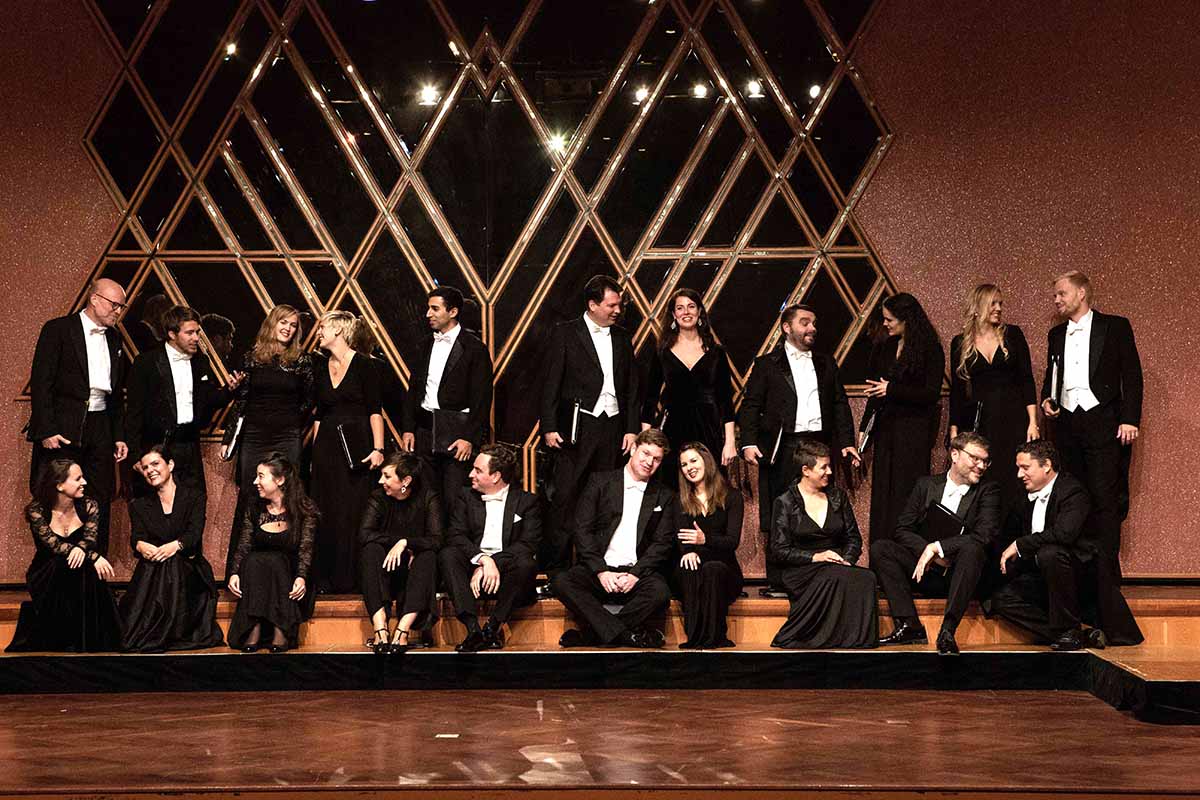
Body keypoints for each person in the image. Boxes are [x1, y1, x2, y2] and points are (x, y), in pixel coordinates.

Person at [738, 303, 859, 591]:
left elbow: (840, 404)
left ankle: (823, 572)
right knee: (780, 508)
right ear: (786, 327)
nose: (812, 328)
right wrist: (748, 443)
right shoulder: (766, 364)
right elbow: (751, 405)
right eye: (805, 322)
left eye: (814, 323)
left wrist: (846, 443)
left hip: (819, 443)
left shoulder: (827, 362)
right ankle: (778, 579)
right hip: (783, 445)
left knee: (820, 507)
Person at [988, 440, 1143, 650]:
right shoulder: (1023, 496)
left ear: (1047, 465)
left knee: (1049, 553)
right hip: (1042, 577)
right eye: (1018, 468)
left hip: (1077, 578)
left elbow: (1064, 535)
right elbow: (1006, 535)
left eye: (1025, 468)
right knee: (1001, 600)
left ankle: (1068, 629)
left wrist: (1021, 544)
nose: (1019, 474)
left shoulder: (1073, 491)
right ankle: (1078, 634)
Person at [540, 274, 640, 576]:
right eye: (611, 305)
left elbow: (632, 388)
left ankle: (598, 566)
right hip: (575, 426)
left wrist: (631, 429)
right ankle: (555, 569)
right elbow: (550, 383)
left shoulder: (622, 338)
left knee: (606, 498)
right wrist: (549, 425)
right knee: (566, 497)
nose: (617, 310)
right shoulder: (565, 333)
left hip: (612, 427)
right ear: (592, 304)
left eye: (619, 305)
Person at [1040, 271, 1142, 564]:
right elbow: (1052, 376)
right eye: (1055, 295)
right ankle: (1077, 566)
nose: (1056, 300)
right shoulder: (1056, 334)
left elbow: (1132, 376)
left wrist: (1130, 419)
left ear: (1081, 293)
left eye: (1061, 293)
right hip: (1068, 424)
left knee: (1105, 497)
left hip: (1104, 422)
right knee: (1073, 494)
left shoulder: (1115, 326)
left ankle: (1107, 571)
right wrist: (1048, 399)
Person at [871, 432, 1002, 655]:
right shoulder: (926, 485)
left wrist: (939, 547)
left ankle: (947, 631)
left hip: (960, 577)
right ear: (954, 454)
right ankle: (909, 625)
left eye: (985, 461)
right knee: (881, 548)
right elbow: (902, 529)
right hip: (927, 571)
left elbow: (984, 535)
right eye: (975, 458)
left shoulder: (988, 491)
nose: (981, 466)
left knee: (973, 549)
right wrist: (928, 552)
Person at [28, 278, 129, 554]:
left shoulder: (115, 338)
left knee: (99, 497)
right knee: (56, 495)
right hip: (63, 426)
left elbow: (116, 392)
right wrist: (46, 429)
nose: (118, 311)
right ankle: (56, 571)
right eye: (115, 305)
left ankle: (95, 567)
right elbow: (41, 382)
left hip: (101, 425)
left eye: (122, 306)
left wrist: (119, 435)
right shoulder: (58, 329)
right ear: (95, 299)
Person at [551, 429, 676, 648]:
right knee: (563, 582)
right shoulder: (600, 482)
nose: (649, 462)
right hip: (600, 570)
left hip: (636, 573)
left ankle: (592, 635)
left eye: (656, 459)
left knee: (660, 592)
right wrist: (600, 571)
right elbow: (582, 529)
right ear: (634, 449)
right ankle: (627, 635)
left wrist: (635, 574)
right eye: (645, 454)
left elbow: (662, 543)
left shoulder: (664, 495)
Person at [220, 305, 315, 575]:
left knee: (290, 495)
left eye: (294, 325)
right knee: (252, 495)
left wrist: (288, 421)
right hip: (254, 436)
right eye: (283, 322)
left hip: (287, 436)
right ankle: (240, 570)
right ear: (271, 324)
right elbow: (242, 400)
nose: (288, 328)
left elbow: (309, 400)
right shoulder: (251, 358)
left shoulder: (302, 360)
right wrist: (229, 438)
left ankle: (290, 570)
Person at [770, 440, 877, 649]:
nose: (829, 471)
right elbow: (779, 550)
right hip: (801, 569)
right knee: (833, 575)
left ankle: (855, 640)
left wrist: (847, 561)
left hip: (836, 564)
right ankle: (807, 636)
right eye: (823, 467)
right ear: (806, 470)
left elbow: (853, 538)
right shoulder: (784, 502)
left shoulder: (838, 496)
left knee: (867, 577)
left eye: (829, 466)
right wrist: (815, 557)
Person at [6, 459, 122, 652]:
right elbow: (54, 546)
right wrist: (93, 556)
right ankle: (68, 638)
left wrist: (85, 551)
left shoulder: (90, 505)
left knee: (80, 567)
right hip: (47, 572)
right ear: (59, 485)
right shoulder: (38, 510)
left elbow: (89, 539)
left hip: (78, 570)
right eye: (78, 478)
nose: (84, 482)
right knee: (66, 564)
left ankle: (88, 638)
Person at [120, 444, 224, 652]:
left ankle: (169, 632)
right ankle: (155, 632)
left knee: (173, 562)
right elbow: (137, 537)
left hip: (188, 566)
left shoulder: (194, 497)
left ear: (170, 464)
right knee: (161, 565)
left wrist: (174, 546)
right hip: (154, 570)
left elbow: (194, 535)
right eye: (145, 467)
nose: (150, 470)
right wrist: (141, 546)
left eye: (155, 464)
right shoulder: (138, 505)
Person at [126, 305, 242, 492]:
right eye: (190, 333)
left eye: (197, 332)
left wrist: (229, 391)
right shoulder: (146, 363)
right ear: (172, 334)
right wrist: (135, 455)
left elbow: (208, 399)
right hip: (157, 445)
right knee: (157, 509)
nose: (196, 338)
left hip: (189, 444)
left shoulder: (200, 361)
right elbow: (134, 412)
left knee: (195, 505)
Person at [401, 286, 494, 518]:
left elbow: (482, 400)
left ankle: (455, 551)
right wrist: (408, 428)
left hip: (456, 433)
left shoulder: (475, 349)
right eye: (428, 308)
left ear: (452, 312)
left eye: (435, 309)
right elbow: (414, 390)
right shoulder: (424, 345)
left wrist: (469, 438)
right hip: (424, 430)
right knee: (427, 497)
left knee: (454, 498)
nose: (427, 314)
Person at [309, 310, 384, 593]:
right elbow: (319, 414)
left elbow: (375, 411)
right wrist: (315, 454)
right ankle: (325, 579)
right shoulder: (320, 366)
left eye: (323, 327)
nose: (319, 332)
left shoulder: (366, 366)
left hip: (357, 446)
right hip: (326, 445)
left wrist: (378, 449)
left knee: (351, 510)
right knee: (324, 509)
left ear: (339, 331)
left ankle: (352, 579)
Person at [861, 292, 945, 543]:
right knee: (883, 493)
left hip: (914, 431)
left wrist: (892, 390)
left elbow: (930, 394)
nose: (885, 324)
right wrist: (864, 430)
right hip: (886, 428)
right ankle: (881, 556)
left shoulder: (931, 349)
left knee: (906, 491)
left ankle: (906, 553)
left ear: (907, 319)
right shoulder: (884, 347)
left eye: (890, 319)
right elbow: (875, 391)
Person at [441, 445, 541, 652]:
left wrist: (493, 562)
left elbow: (528, 544)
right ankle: (472, 630)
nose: (470, 474)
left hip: (505, 569)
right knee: (448, 555)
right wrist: (482, 560)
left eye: (478, 470)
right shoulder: (465, 496)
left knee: (526, 563)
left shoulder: (527, 501)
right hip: (474, 565)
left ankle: (492, 628)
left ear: (496, 476)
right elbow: (455, 535)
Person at [948, 284, 1038, 505]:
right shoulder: (959, 342)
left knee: (1014, 474)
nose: (999, 308)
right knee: (985, 475)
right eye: (993, 303)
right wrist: (953, 432)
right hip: (981, 419)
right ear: (978, 307)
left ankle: (1014, 537)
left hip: (1014, 416)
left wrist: (1033, 422)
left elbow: (1026, 379)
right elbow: (957, 392)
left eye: (1001, 303)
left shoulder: (1013, 335)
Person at [227, 454, 318, 652]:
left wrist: (302, 577)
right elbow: (244, 544)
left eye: (261, 476)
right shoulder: (254, 508)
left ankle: (281, 629)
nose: (255, 482)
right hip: (259, 576)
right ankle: (254, 627)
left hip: (290, 578)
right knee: (255, 559)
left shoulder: (304, 510)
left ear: (280, 480)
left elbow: (305, 549)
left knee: (276, 560)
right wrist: (234, 572)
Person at [640, 289, 736, 471]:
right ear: (674, 315)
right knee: (672, 484)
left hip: (708, 427)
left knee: (709, 483)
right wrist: (645, 442)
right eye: (680, 308)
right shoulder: (662, 352)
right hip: (671, 428)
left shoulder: (717, 352)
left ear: (699, 312)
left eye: (691, 306)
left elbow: (725, 400)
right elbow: (650, 398)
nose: (686, 312)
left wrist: (729, 442)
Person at [358, 453, 443, 653]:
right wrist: (397, 543)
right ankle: (381, 630)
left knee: (428, 556)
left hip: (416, 567)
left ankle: (402, 631)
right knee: (370, 550)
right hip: (385, 567)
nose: (381, 481)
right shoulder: (378, 497)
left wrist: (407, 543)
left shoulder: (428, 497)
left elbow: (437, 539)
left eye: (387, 477)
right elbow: (364, 534)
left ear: (405, 481)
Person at [674, 442, 743, 649]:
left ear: (707, 461)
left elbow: (732, 542)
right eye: (684, 465)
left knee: (713, 569)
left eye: (693, 461)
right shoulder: (680, 500)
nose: (689, 468)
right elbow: (679, 536)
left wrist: (705, 540)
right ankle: (694, 639)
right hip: (693, 566)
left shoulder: (732, 496)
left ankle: (714, 637)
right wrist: (688, 551)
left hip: (725, 569)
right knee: (690, 567)